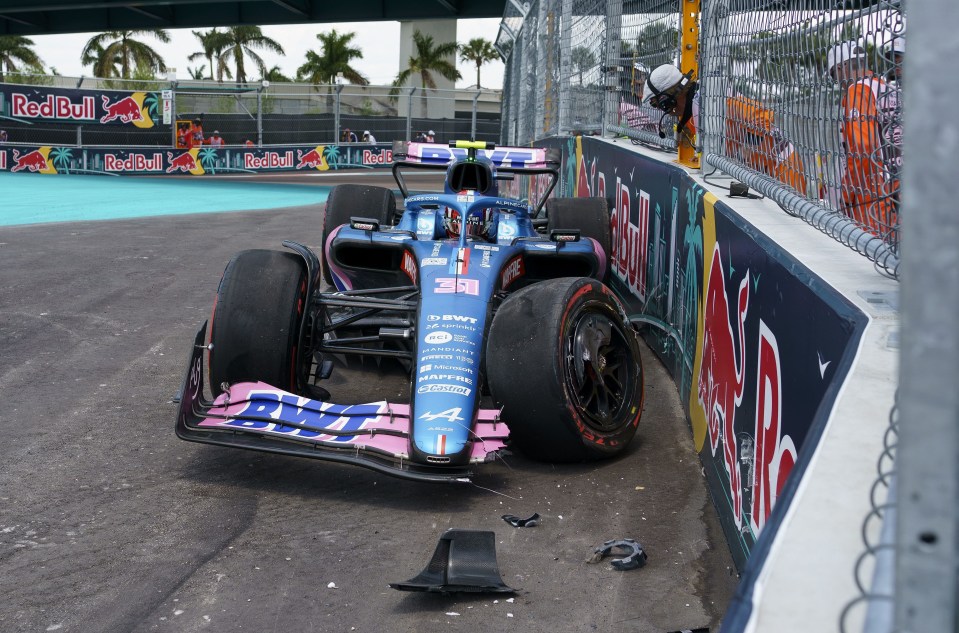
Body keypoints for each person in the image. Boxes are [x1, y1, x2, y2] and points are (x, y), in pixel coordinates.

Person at [827, 41, 897, 237]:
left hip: (874, 192)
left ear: (841, 67)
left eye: (834, 75)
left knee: (868, 254)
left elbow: (863, 148)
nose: (838, 83)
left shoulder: (858, 90)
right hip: (899, 184)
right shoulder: (887, 88)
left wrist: (848, 195)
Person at [724, 95, 807, 194]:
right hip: (760, 159)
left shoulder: (733, 103)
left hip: (781, 157)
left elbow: (762, 117)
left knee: (792, 199)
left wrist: (749, 144)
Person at [643, 64, 699, 148]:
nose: (660, 108)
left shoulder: (702, 105)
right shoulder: (692, 110)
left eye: (659, 104)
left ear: (667, 101)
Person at [618, 62, 655, 131]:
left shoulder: (650, 96)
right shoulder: (624, 98)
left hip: (649, 130)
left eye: (641, 74)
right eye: (635, 74)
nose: (635, 77)